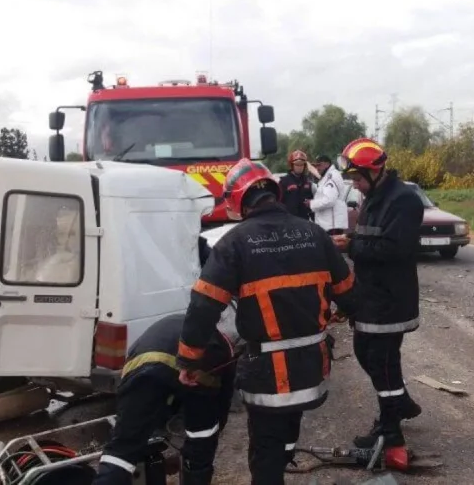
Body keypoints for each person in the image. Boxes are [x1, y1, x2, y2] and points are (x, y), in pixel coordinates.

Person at [176, 158, 359, 485]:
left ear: (237, 200)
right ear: (274, 193)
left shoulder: (235, 242)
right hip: (311, 369)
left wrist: (190, 360)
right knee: (288, 427)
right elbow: (347, 292)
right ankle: (283, 458)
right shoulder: (314, 234)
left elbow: (203, 306)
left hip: (268, 376)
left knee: (265, 453)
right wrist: (343, 311)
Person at [96, 240, 238, 485]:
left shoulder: (171, 325)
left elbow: (137, 386)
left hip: (141, 369)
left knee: (121, 452)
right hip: (196, 373)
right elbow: (221, 402)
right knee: (202, 438)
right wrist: (209, 429)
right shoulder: (221, 344)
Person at [331, 138, 424, 450]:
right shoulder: (374, 195)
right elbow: (372, 236)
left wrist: (351, 246)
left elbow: (395, 249)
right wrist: (350, 237)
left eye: (357, 178)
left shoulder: (404, 201)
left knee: (382, 362)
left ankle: (389, 430)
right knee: (363, 352)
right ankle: (401, 402)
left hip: (390, 301)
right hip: (370, 297)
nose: (355, 185)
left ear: (374, 172)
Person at [309, 154, 348, 235]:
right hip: (329, 223)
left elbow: (329, 200)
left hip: (332, 225)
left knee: (332, 247)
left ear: (327, 164)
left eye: (319, 165)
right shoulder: (329, 176)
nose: (317, 168)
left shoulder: (331, 176)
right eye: (316, 166)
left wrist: (311, 203)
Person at [278, 150, 314, 220]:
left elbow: (312, 201)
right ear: (291, 165)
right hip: (289, 220)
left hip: (305, 220)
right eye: (297, 165)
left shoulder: (308, 181)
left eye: (302, 165)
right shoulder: (284, 181)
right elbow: (279, 202)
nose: (299, 167)